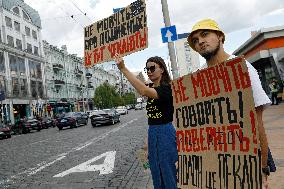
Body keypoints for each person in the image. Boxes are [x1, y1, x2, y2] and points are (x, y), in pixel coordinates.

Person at [187, 18, 271, 189]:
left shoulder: (243, 69)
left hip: (247, 158)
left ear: (220, 37)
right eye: (195, 40)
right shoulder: (197, 77)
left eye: (205, 34)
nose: (200, 41)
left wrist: (263, 167)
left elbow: (257, 121)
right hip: (215, 161)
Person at [114, 54, 178, 189]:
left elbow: (142, 90)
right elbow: (152, 118)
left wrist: (123, 69)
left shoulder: (167, 89)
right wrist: (147, 141)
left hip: (165, 133)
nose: (149, 71)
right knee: (155, 172)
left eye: (152, 68)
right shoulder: (153, 90)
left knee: (168, 173)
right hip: (153, 132)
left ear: (162, 69)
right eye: (146, 69)